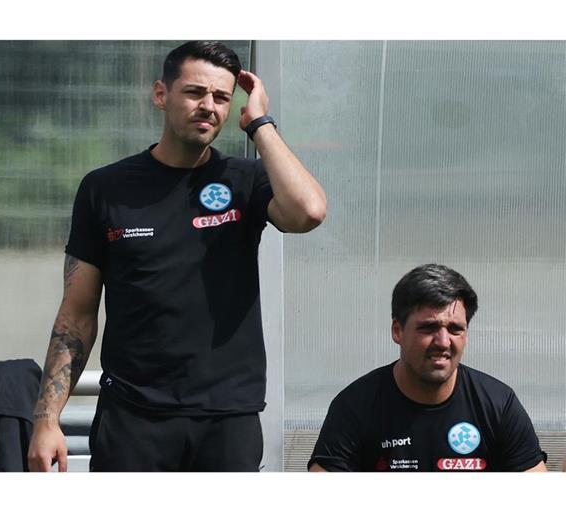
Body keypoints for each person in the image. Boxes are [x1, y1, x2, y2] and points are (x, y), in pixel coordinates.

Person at [27, 41, 327, 472]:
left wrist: (260, 123)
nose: (209, 106)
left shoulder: (245, 180)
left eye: (222, 97)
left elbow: (309, 212)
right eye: (195, 92)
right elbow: (76, 316)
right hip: (133, 418)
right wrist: (46, 418)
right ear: (160, 94)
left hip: (227, 418)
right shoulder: (105, 188)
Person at [308, 264, 548, 472]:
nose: (443, 342)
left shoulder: (498, 404)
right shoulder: (355, 406)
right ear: (397, 331)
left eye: (455, 329)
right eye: (429, 328)